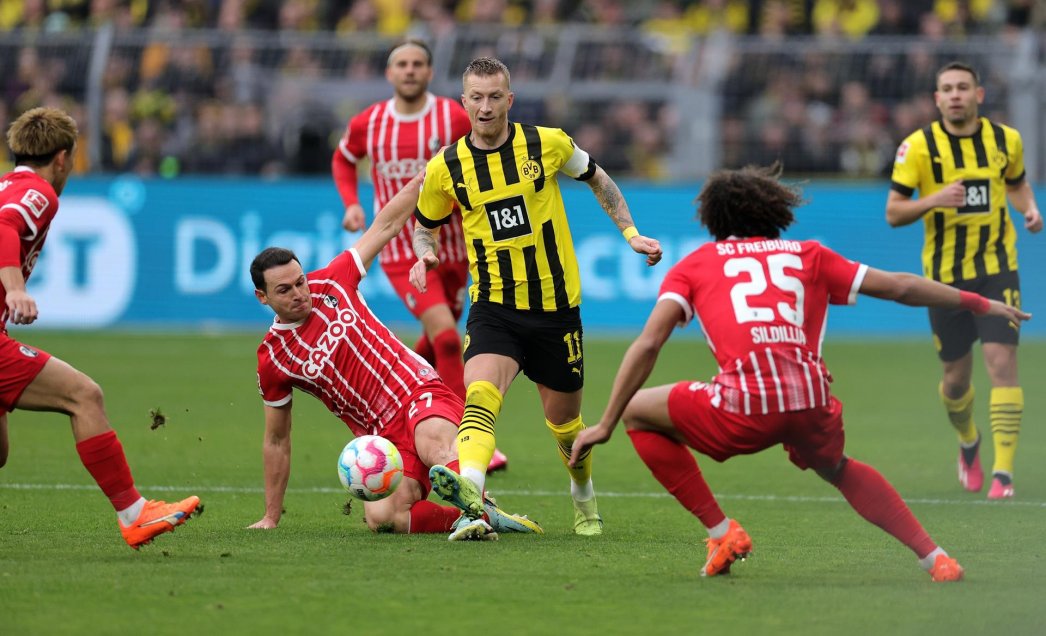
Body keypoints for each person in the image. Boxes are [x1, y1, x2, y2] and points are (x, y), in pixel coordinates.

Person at [569, 164, 1030, 581]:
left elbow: (649, 343)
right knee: (838, 468)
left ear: (712, 219)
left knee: (638, 411)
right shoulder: (810, 254)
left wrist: (605, 423)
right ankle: (937, 559)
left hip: (742, 406)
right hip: (812, 401)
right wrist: (982, 304)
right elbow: (902, 287)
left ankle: (721, 531)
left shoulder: (696, 265)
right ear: (776, 211)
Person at [410, 57, 663, 537]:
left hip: (555, 311)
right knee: (480, 398)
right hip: (494, 307)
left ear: (510, 99)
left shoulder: (545, 143)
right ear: (463, 102)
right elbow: (426, 226)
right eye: (476, 98)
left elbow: (598, 179)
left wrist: (630, 233)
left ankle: (583, 498)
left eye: (494, 97)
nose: (485, 108)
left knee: (566, 426)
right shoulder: (445, 167)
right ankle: (472, 501)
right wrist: (424, 256)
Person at [249, 175, 540, 540]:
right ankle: (479, 514)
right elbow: (277, 440)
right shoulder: (273, 358)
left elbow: (385, 223)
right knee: (384, 517)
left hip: (417, 392)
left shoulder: (334, 282)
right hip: (382, 437)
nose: (299, 293)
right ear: (263, 297)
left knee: (436, 446)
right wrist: (271, 516)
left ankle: (473, 504)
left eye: (300, 281)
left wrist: (426, 177)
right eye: (284, 290)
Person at [0, 107, 201, 549]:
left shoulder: (6, 185)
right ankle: (134, 513)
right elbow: (4, 227)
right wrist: (14, 288)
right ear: (63, 158)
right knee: (84, 395)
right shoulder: (38, 192)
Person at [331, 39, 508, 473]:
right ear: (390, 74)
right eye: (401, 64)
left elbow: (481, 152)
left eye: (418, 64)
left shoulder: (451, 115)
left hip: (458, 247)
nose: (409, 71)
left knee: (432, 345)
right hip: (401, 250)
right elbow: (343, 158)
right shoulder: (369, 122)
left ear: (429, 73)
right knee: (448, 338)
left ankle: (400, 398)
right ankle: (464, 441)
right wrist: (351, 202)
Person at [886, 61, 1042, 499]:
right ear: (937, 99)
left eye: (962, 87)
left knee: (1003, 364)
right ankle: (969, 440)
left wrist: (1028, 208)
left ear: (979, 94)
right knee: (956, 379)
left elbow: (1016, 184)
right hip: (945, 281)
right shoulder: (917, 147)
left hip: (997, 269)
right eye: (947, 89)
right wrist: (933, 199)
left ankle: (1003, 475)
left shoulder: (1006, 139)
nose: (955, 95)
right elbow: (893, 212)